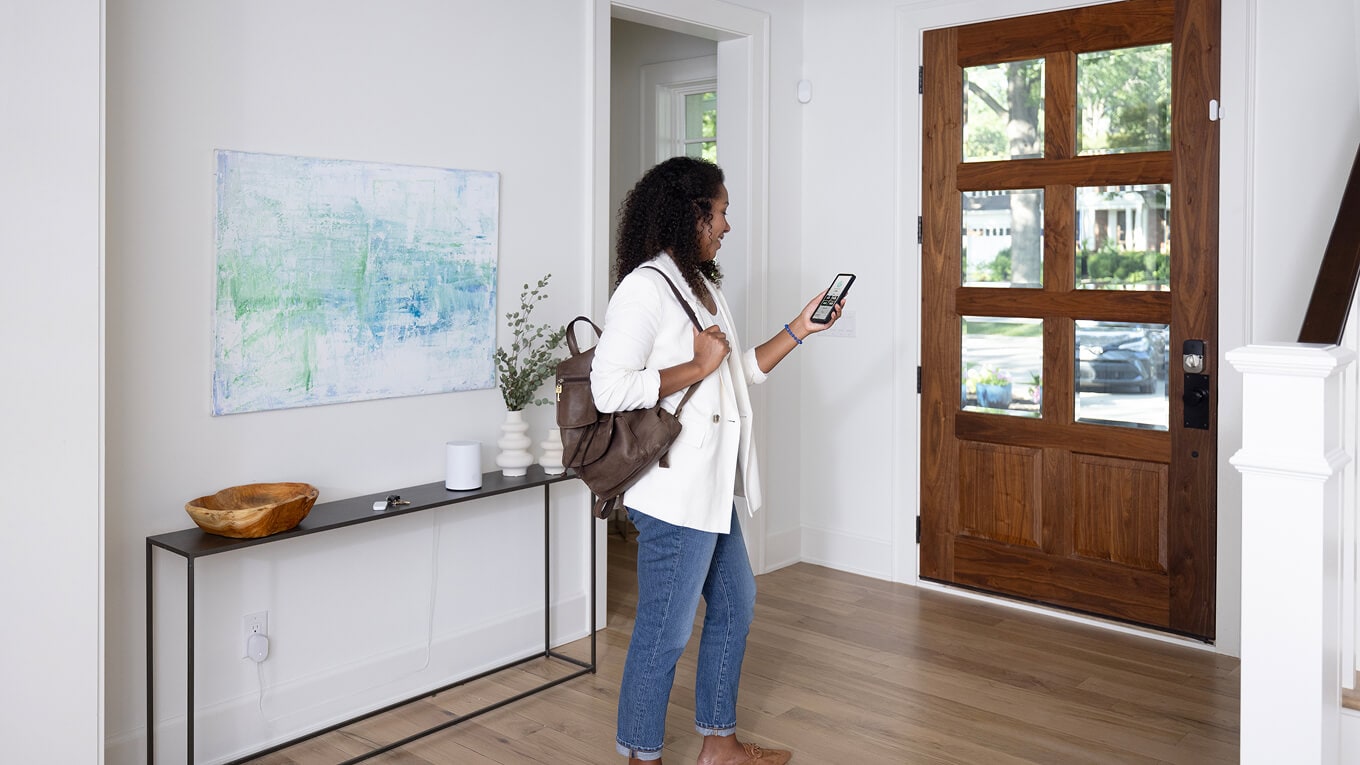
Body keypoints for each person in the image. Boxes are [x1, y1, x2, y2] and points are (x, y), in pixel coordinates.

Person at [591, 156, 844, 765]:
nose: (728, 225)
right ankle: (640, 756)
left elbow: (738, 373)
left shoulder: (702, 288)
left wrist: (800, 328)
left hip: (710, 490)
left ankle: (719, 744)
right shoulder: (645, 288)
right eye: (721, 211)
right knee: (665, 630)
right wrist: (696, 367)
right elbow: (609, 387)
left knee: (735, 603)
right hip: (673, 495)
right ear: (691, 212)